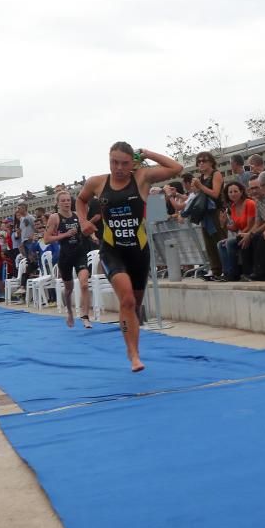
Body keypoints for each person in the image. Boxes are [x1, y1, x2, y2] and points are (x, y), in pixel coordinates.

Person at [76, 143, 183, 371]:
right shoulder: (97, 182)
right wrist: (83, 221)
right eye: (114, 162)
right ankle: (134, 355)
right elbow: (81, 200)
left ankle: (131, 346)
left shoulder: (142, 177)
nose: (119, 168)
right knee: (126, 299)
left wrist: (148, 154)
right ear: (109, 160)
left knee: (134, 307)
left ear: (133, 163)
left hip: (139, 251)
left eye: (125, 163)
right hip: (112, 250)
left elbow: (176, 168)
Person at [45, 191, 93, 328]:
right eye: (63, 201)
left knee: (84, 284)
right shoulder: (55, 218)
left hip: (80, 254)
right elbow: (47, 239)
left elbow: (86, 229)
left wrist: (91, 234)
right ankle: (70, 313)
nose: (67, 203)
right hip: (65, 257)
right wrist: (65, 234)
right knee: (68, 290)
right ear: (58, 203)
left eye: (68, 200)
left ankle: (85, 316)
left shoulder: (77, 215)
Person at [191, 151, 226, 280]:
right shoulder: (200, 178)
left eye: (204, 161)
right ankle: (215, 269)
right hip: (205, 214)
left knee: (220, 240)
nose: (201, 163)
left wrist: (200, 187)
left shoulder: (215, 174)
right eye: (199, 161)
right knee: (209, 243)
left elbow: (215, 193)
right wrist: (195, 189)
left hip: (216, 211)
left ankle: (225, 268)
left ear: (211, 162)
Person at [217, 181, 257, 281]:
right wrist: (225, 223)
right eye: (230, 192)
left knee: (230, 242)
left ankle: (233, 273)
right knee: (220, 244)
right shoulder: (233, 207)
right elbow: (235, 227)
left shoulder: (249, 203)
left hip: (251, 232)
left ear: (241, 191)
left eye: (235, 191)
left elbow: (250, 225)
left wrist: (237, 235)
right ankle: (226, 272)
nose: (233, 194)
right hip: (241, 233)